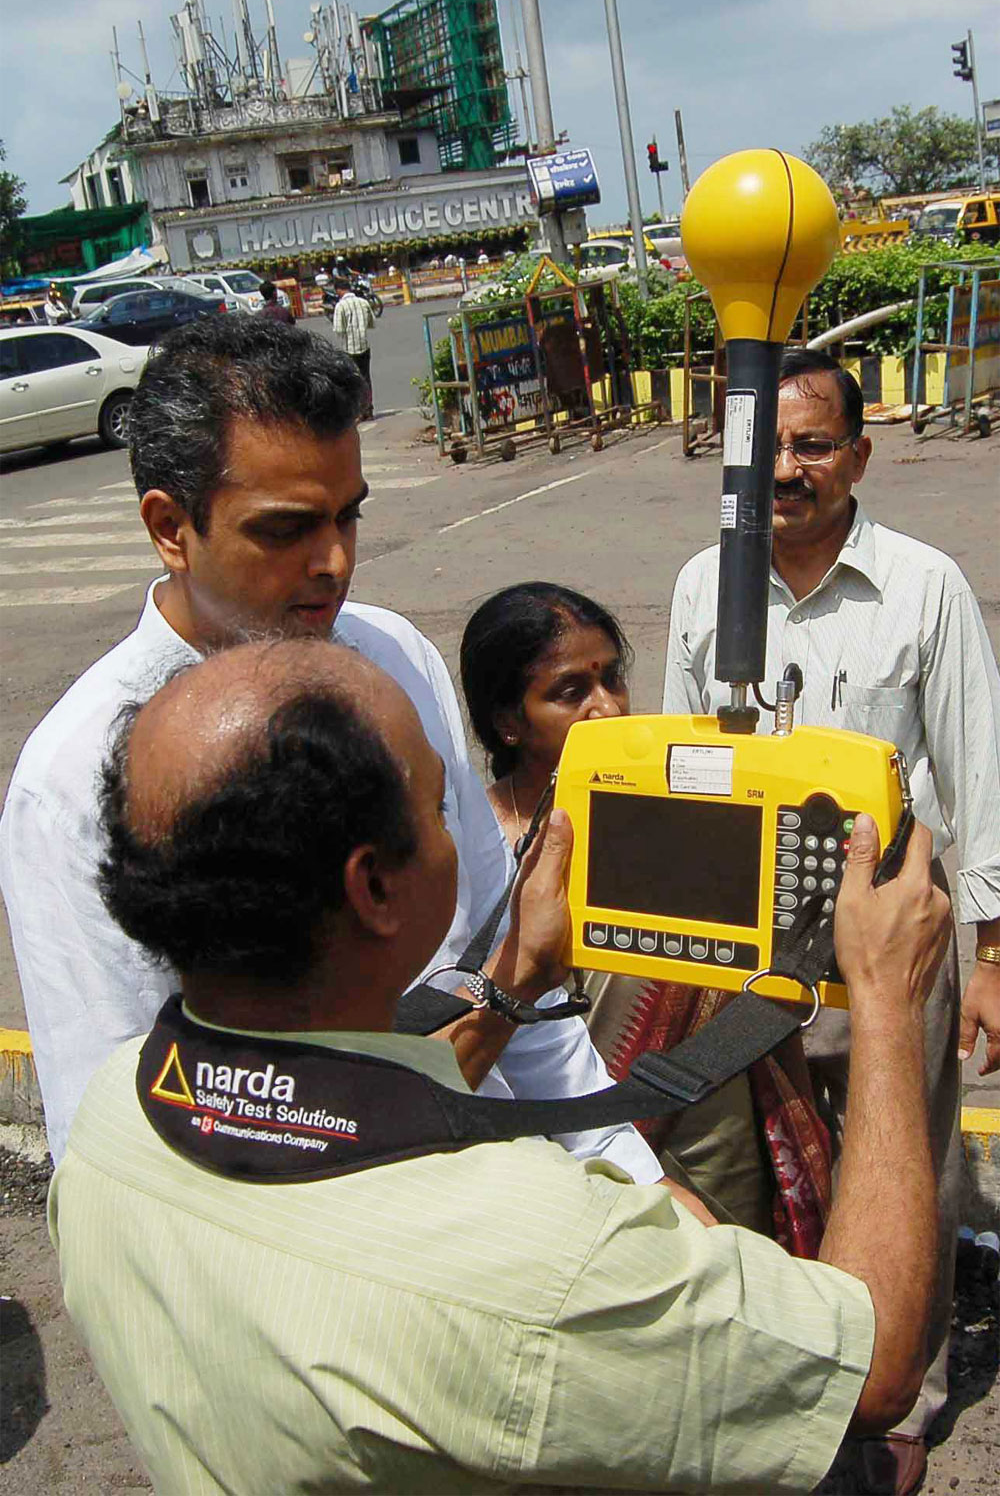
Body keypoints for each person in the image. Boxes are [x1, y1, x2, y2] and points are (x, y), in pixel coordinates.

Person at [50, 634, 951, 1494]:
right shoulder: (544, 1254)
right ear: (374, 887)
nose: (465, 831)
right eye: (443, 808)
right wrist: (885, 998)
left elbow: (344, 1121)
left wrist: (516, 977)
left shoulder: (112, 1121)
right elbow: (870, 1369)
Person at [0, 315, 659, 1190]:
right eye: (286, 529)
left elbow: (511, 963)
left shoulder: (393, 659)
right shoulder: (76, 783)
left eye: (348, 516)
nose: (336, 561)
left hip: (513, 1176)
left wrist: (624, 1163)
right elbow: (119, 1140)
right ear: (170, 525)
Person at [662, 345, 1000, 1495]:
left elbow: (982, 774)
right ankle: (794, 1374)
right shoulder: (702, 586)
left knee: (904, 1152)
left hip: (890, 942)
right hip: (749, 940)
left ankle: (900, 1386)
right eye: (764, 448)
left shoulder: (923, 586)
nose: (785, 472)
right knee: (765, 1155)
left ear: (859, 454)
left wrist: (991, 957)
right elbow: (676, 765)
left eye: (812, 447)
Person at [460, 581, 830, 1244]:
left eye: (612, 679)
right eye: (571, 692)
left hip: (705, 1119)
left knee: (727, 1263)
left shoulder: (670, 809)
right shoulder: (477, 847)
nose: (607, 707)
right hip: (560, 1149)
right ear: (508, 720)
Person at [331, 279, 375, 419]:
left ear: (338, 290)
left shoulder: (340, 306)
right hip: (364, 345)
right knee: (366, 377)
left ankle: (358, 410)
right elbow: (371, 323)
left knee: (352, 379)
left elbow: (338, 329)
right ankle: (369, 408)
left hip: (349, 347)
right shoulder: (363, 302)